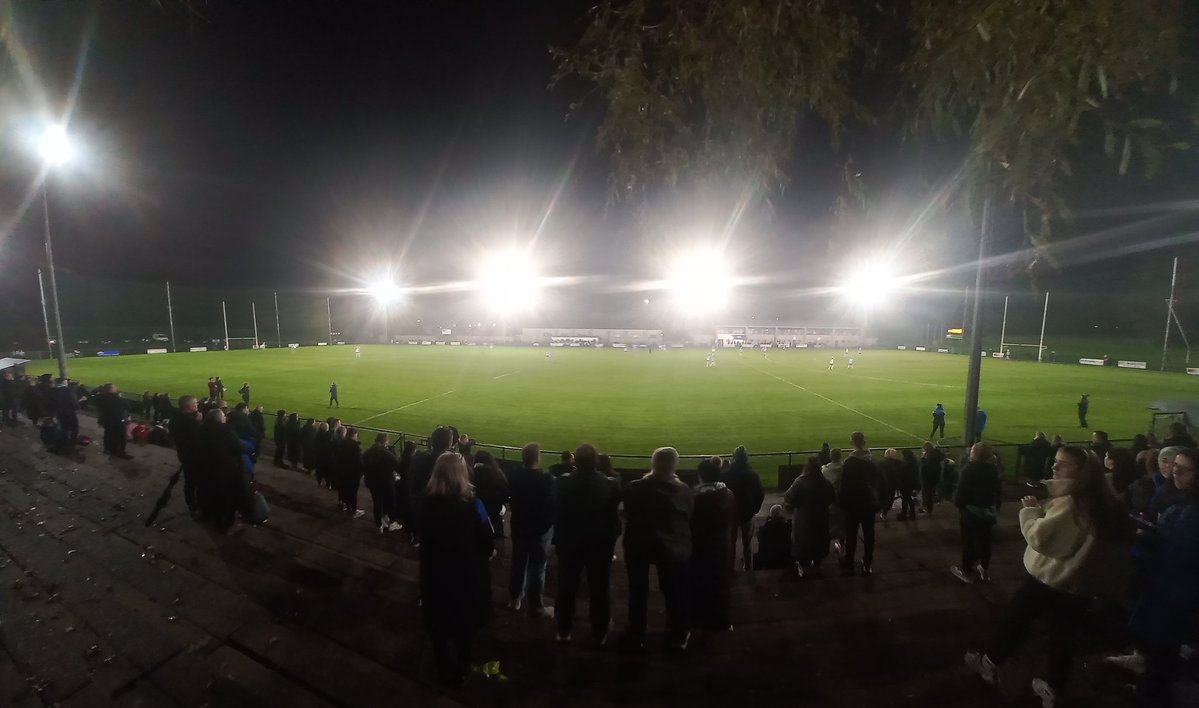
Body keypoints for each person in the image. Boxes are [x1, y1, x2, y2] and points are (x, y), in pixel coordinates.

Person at [964, 446, 1131, 708]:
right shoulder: (1105, 499)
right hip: (1080, 584)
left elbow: (1042, 539)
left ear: (1082, 471)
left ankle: (989, 664)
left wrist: (1030, 512)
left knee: (1015, 620)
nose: (1054, 467)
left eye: (1063, 464)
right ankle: (1053, 689)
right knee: (1063, 635)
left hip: (1052, 579)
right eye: (1055, 461)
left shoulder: (1075, 503)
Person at [1121, 448, 1199, 706]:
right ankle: (1152, 688)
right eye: (1175, 464)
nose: (1175, 470)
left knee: (1165, 647)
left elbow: (1176, 553)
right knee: (1162, 647)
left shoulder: (1193, 510)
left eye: (1184, 468)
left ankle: (1152, 696)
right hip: (1171, 585)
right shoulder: (1181, 498)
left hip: (1176, 589)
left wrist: (1138, 544)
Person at [417, 451, 494, 687]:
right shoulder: (473, 505)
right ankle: (462, 667)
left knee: (437, 622)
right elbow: (487, 542)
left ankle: (443, 664)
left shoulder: (422, 502)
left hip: (433, 574)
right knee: (463, 625)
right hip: (464, 575)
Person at [622, 446, 694, 651]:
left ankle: (637, 632)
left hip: (639, 546)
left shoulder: (635, 487)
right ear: (674, 466)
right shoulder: (683, 490)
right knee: (674, 591)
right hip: (671, 546)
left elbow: (627, 511)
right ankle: (679, 634)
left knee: (638, 591)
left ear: (653, 464)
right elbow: (689, 514)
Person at [553, 443, 622, 644]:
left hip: (570, 544)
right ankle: (600, 630)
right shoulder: (610, 485)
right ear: (597, 463)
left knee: (567, 586)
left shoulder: (562, 483)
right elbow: (614, 517)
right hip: (599, 546)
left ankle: (564, 629)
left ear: (575, 461)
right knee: (599, 588)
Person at [506, 442, 555, 618]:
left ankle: (515, 599)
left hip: (519, 525)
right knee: (537, 567)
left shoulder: (515, 474)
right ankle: (535, 607)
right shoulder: (547, 479)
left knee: (518, 562)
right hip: (539, 529)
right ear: (537, 458)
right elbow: (552, 504)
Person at [688, 456, 737, 631]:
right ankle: (722, 620)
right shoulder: (728, 494)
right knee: (720, 581)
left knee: (698, 580)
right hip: (721, 545)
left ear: (700, 475)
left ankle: (697, 619)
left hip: (698, 545)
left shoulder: (692, 497)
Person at [950, 443, 1003, 584]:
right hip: (988, 512)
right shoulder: (994, 469)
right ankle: (984, 569)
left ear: (975, 454)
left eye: (972, 450)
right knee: (985, 541)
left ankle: (966, 570)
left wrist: (959, 505)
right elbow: (998, 491)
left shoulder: (970, 470)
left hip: (971, 512)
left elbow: (961, 493)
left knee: (968, 542)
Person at [198, 408, 253, 532]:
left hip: (206, 468)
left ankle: (211, 517)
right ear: (219, 418)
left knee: (212, 494)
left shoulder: (201, 429)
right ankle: (227, 525)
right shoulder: (225, 429)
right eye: (223, 415)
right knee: (226, 498)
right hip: (225, 470)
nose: (225, 417)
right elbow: (239, 448)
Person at [783, 457, 835, 575]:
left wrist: (792, 507)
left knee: (802, 539)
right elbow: (832, 498)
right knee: (819, 539)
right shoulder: (825, 483)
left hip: (804, 517)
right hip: (821, 517)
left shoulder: (800, 482)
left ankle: (803, 565)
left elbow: (788, 498)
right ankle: (817, 563)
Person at [721, 446, 765, 574]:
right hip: (747, 514)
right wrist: (754, 510)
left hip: (731, 514)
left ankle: (730, 568)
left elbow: (721, 494)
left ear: (734, 458)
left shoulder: (726, 474)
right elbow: (760, 495)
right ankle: (748, 568)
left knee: (731, 543)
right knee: (747, 543)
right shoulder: (753, 475)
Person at [408, 427, 456, 545]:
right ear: (449, 443)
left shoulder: (418, 457)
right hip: (438, 509)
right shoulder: (450, 462)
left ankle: (417, 536)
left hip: (419, 503)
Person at [838, 454, 879, 575]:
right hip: (868, 505)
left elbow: (843, 486)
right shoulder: (872, 463)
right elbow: (880, 482)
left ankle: (849, 562)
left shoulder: (849, 464)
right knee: (869, 535)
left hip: (853, 505)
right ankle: (867, 563)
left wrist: (842, 503)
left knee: (851, 534)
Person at [170, 395, 204, 517]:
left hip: (183, 454)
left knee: (190, 481)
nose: (197, 405)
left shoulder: (176, 418)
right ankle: (196, 506)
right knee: (197, 481)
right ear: (189, 406)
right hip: (194, 456)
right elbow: (199, 439)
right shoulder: (191, 423)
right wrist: (199, 422)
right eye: (195, 403)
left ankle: (192, 504)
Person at [363, 432, 402, 532]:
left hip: (372, 482)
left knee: (377, 502)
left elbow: (363, 465)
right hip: (386, 482)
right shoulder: (386, 453)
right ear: (386, 441)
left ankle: (379, 524)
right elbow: (398, 466)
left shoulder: (368, 452)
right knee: (390, 501)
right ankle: (392, 523)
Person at [471, 449, 509, 538]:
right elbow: (505, 496)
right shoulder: (498, 475)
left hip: (476, 514)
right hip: (495, 512)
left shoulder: (470, 474)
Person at [95, 384, 131, 459]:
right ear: (110, 389)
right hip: (117, 421)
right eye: (114, 387)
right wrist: (120, 397)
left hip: (107, 420)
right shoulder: (116, 398)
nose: (116, 388)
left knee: (108, 435)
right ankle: (120, 453)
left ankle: (109, 449)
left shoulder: (101, 397)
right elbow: (127, 406)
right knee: (121, 438)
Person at [754, 504, 794, 571]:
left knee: (756, 557)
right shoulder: (787, 527)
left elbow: (760, 540)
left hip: (769, 559)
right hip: (785, 558)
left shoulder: (766, 528)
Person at [337, 427, 365, 518]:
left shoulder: (341, 443)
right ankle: (353, 510)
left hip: (342, 470)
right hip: (353, 473)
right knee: (352, 491)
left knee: (344, 488)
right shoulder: (355, 447)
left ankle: (344, 504)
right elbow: (359, 462)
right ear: (354, 435)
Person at [877, 448, 901, 521]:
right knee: (889, 500)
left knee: (882, 499)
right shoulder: (898, 463)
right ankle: (884, 513)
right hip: (891, 485)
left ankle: (881, 512)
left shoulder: (881, 463)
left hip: (883, 484)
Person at [920, 442, 944, 514]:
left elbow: (925, 467)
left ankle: (928, 508)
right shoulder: (937, 454)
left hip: (928, 478)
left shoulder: (930, 457)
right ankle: (928, 506)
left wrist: (923, 459)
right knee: (931, 492)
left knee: (927, 493)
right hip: (936, 477)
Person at [898, 449, 920, 520]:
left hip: (905, 484)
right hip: (911, 483)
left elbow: (902, 474)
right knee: (909, 498)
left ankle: (904, 514)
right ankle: (912, 513)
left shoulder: (906, 463)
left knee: (905, 499)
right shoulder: (913, 461)